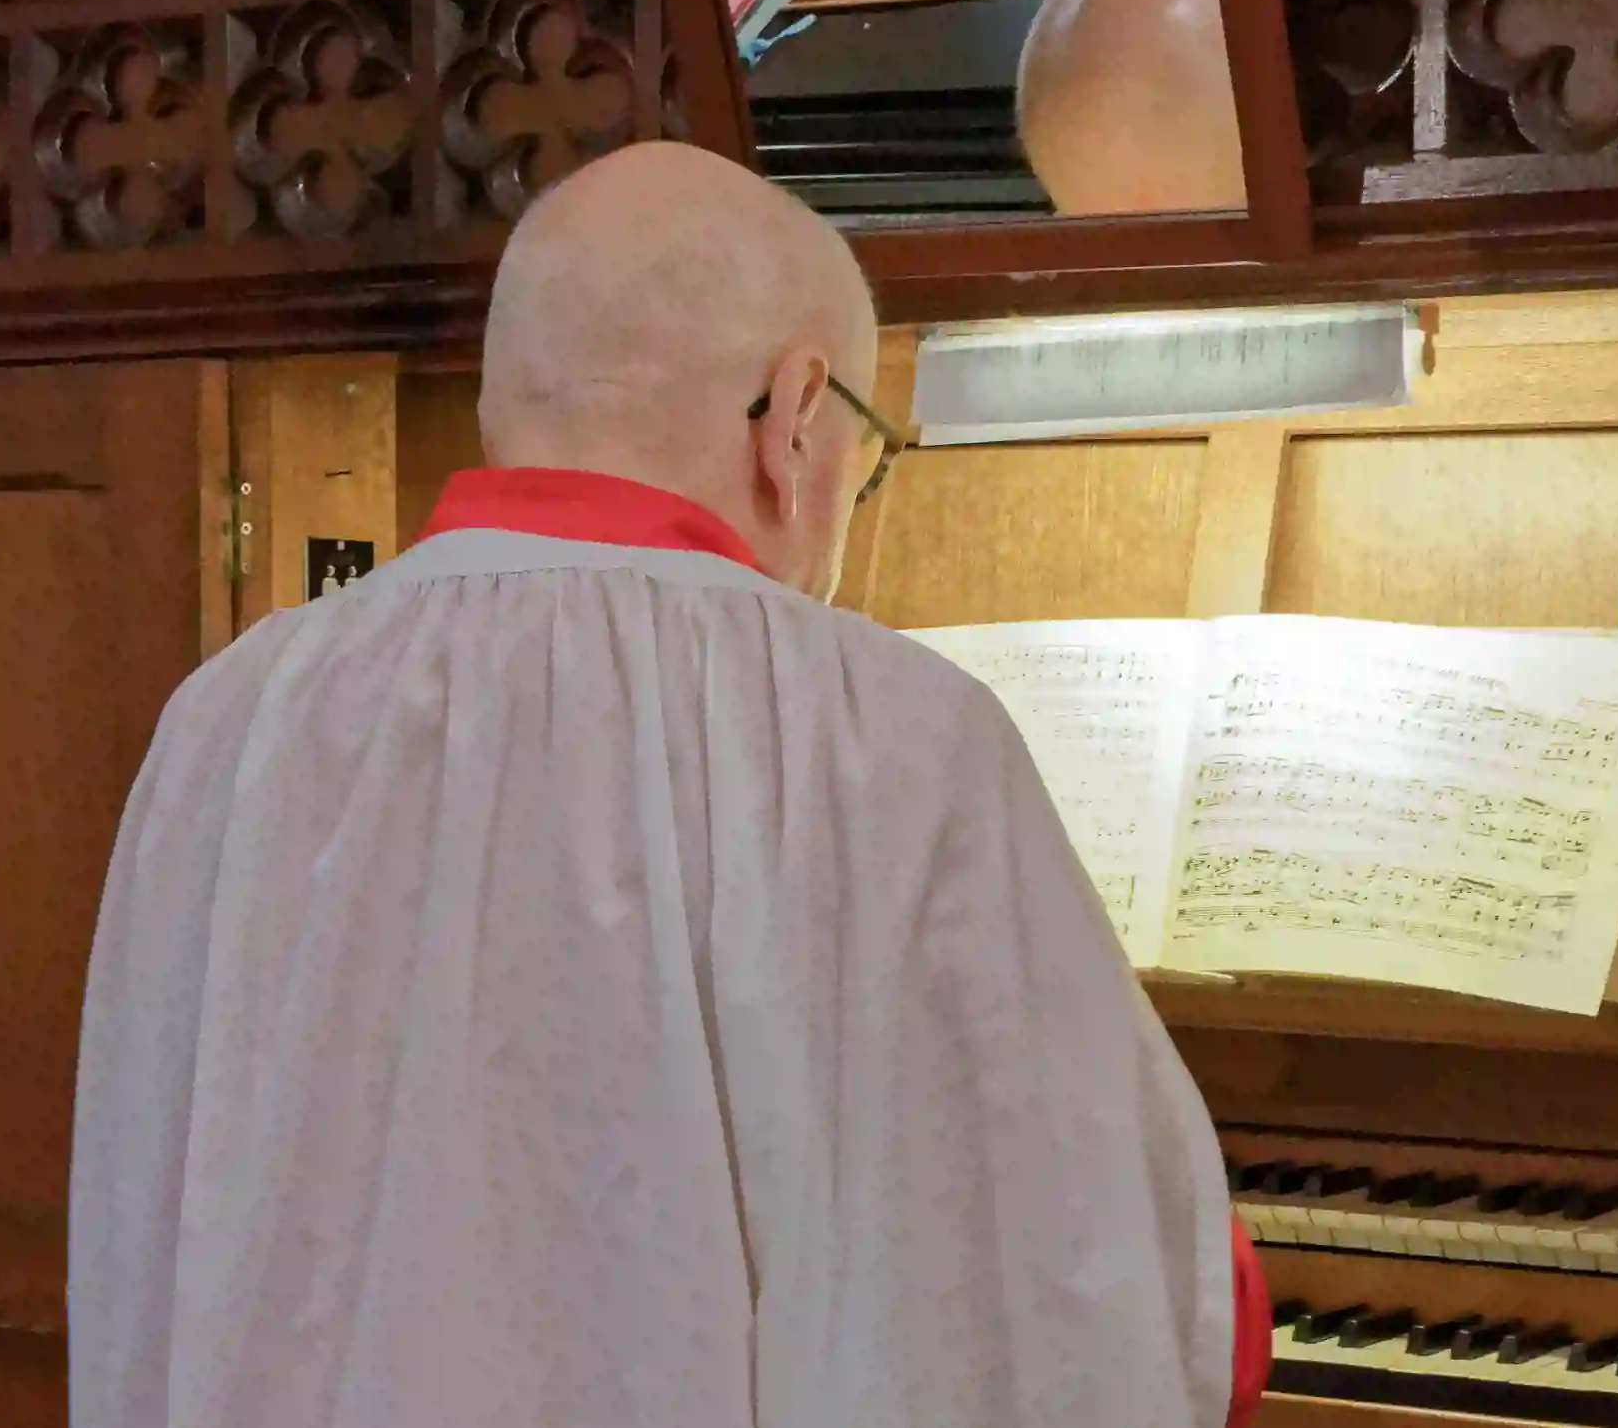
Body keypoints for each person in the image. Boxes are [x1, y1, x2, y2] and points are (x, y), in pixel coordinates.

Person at [68, 141, 1268, 1428]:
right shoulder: (886, 734)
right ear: (796, 414)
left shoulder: (230, 716)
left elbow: (152, 1241)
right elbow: (1092, 1297)